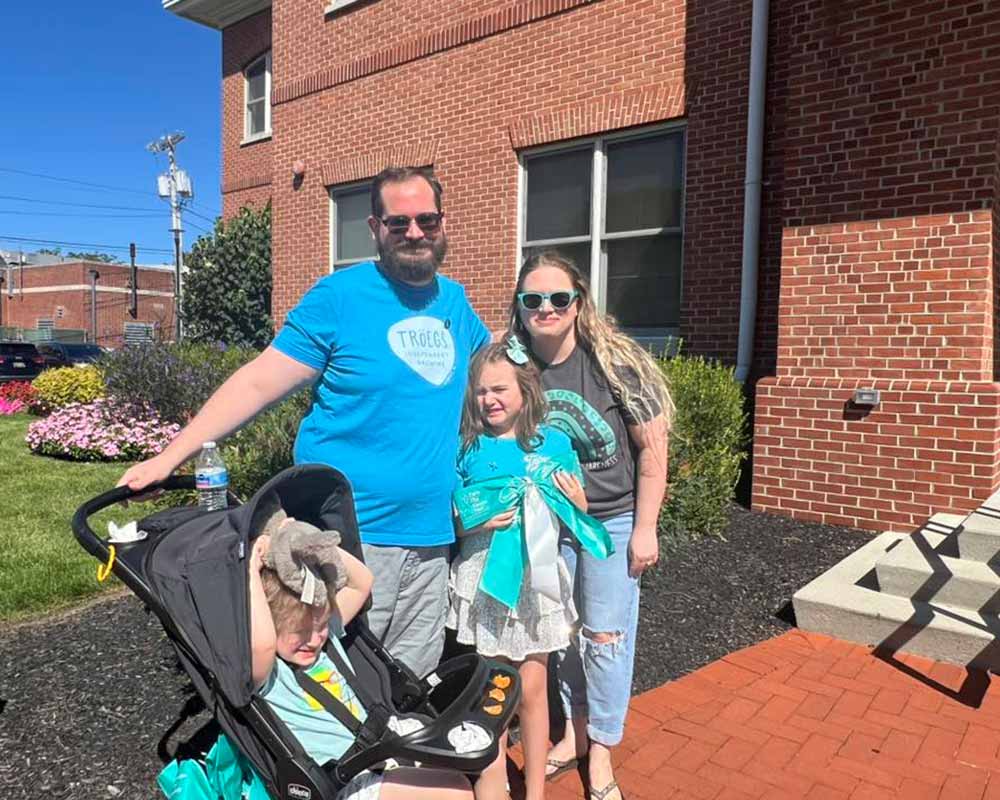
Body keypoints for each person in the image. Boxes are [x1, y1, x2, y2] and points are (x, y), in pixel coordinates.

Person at [118, 166, 490, 679]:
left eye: (426, 220)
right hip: (346, 537)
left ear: (442, 223)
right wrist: (170, 456)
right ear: (375, 227)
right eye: (398, 222)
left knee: (410, 677)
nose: (414, 232)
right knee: (330, 675)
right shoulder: (339, 297)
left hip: (430, 534)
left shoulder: (455, 303)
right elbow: (257, 383)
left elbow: (503, 379)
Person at [507, 252, 673, 800]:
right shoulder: (515, 367)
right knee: (562, 637)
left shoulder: (614, 363)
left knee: (604, 636)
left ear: (578, 303)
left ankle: (601, 747)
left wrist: (645, 527)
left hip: (610, 522)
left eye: (559, 298)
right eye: (533, 299)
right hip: (548, 524)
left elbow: (652, 450)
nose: (546, 309)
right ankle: (575, 731)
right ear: (520, 307)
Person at [449, 341, 612, 800]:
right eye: (481, 391)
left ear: (525, 389)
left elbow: (577, 512)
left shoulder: (554, 444)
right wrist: (475, 522)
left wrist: (577, 502)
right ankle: (493, 784)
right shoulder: (467, 448)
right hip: (485, 578)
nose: (489, 399)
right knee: (492, 690)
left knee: (533, 688)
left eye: (499, 389)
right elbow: (455, 520)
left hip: (533, 581)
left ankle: (535, 791)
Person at [248, 525, 473, 800]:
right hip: (347, 776)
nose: (314, 639)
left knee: (478, 750)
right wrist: (251, 568)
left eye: (321, 626)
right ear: (272, 627)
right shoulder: (271, 674)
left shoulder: (327, 639)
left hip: (384, 740)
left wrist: (305, 537)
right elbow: (262, 643)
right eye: (300, 632)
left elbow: (362, 581)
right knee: (456, 789)